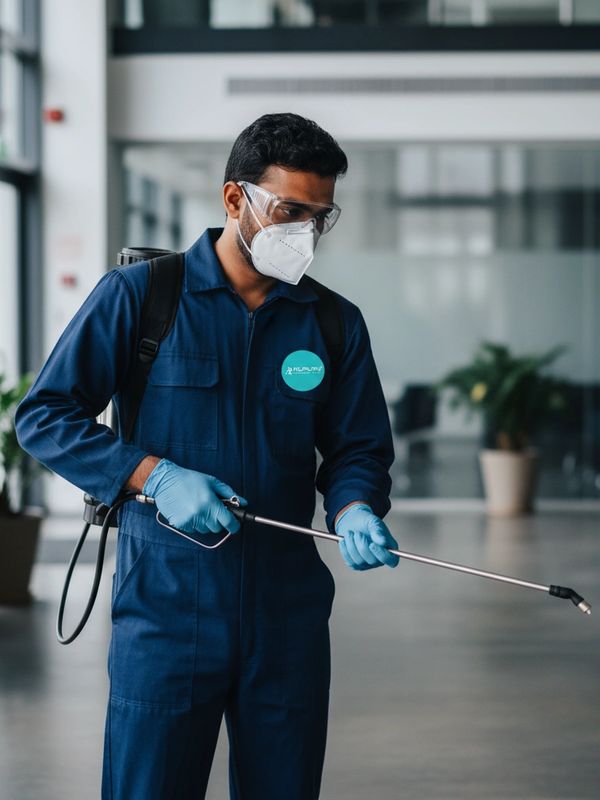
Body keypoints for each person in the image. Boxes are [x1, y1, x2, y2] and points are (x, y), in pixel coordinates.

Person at [16, 113, 399, 800]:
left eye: (320, 216)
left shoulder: (332, 322)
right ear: (234, 198)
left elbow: (358, 446)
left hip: (286, 613)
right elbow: (44, 417)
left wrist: (355, 506)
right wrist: (153, 476)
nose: (306, 232)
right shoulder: (142, 297)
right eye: (290, 210)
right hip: (167, 608)